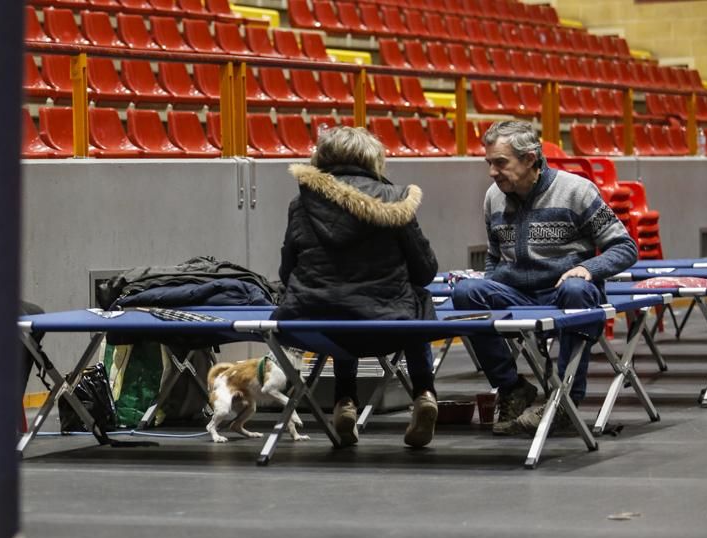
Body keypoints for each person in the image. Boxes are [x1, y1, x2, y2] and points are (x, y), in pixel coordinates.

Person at [453, 120, 638, 435]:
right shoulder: (492, 198)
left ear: (529, 159)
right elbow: (495, 256)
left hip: (567, 294)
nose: (492, 172)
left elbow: (625, 246)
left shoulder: (578, 190)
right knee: (466, 292)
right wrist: (489, 281)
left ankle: (566, 400)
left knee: (577, 289)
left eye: (500, 163)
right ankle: (512, 387)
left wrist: (589, 269)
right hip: (516, 295)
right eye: (489, 164)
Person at [272, 126, 440, 448]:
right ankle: (423, 392)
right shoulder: (397, 200)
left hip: (312, 326)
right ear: (372, 158)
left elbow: (286, 271)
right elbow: (425, 271)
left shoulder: (301, 203)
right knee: (419, 298)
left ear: (321, 157)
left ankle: (344, 401)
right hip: (388, 326)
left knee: (338, 302)